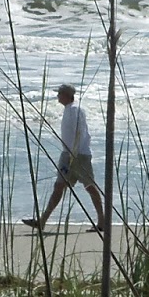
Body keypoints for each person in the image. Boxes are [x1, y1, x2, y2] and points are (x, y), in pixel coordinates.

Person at [22, 83, 105, 234]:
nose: (57, 96)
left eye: (59, 93)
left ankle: (102, 221)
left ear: (66, 95)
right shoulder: (69, 109)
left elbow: (80, 132)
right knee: (59, 186)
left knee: (89, 186)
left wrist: (73, 154)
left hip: (78, 155)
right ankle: (42, 221)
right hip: (68, 154)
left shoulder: (75, 110)